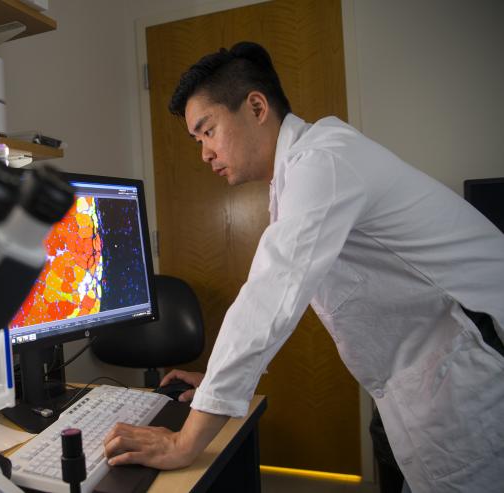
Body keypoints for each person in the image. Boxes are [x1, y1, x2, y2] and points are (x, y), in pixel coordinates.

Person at [102, 41, 504, 493]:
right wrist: (215, 382)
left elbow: (268, 300)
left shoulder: (323, 162)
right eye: (197, 141)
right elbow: (288, 303)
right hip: (420, 375)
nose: (204, 154)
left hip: (468, 367)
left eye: (208, 131)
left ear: (256, 107)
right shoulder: (299, 172)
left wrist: (185, 441)